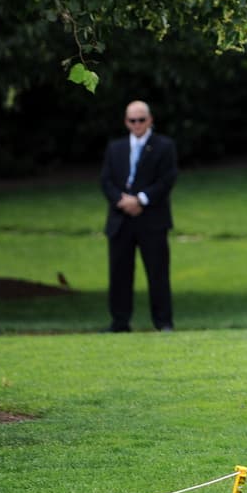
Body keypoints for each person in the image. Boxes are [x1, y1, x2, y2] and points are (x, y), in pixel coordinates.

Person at [99, 100, 178, 332]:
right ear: (126, 122)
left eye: (141, 120)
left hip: (151, 219)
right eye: (132, 120)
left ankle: (163, 322)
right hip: (120, 219)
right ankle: (120, 322)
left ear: (150, 120)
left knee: (157, 273)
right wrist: (121, 200)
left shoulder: (164, 146)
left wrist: (141, 199)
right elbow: (106, 180)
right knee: (119, 273)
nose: (137, 124)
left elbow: (167, 179)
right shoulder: (116, 148)